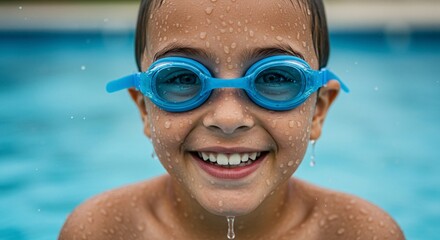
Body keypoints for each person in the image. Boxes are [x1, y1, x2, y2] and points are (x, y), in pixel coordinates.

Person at [59, 0, 405, 239]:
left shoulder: (362, 233)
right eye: (181, 79)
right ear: (144, 108)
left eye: (275, 78)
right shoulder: (101, 230)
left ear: (318, 109)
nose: (227, 118)